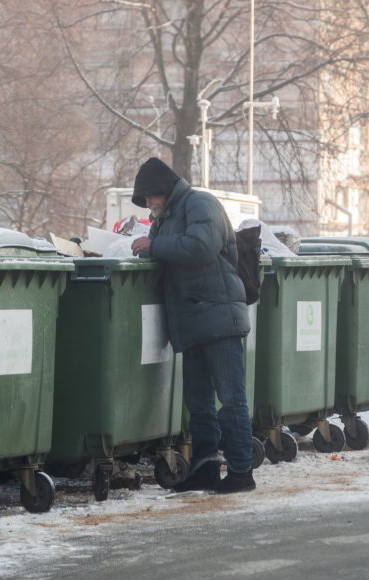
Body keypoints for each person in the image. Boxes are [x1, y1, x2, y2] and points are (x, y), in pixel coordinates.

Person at [129, 157, 256, 494]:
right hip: (192, 319)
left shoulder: (201, 203)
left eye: (149, 198)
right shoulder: (166, 218)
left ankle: (242, 471)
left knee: (231, 398)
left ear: (162, 190)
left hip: (219, 315)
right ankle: (205, 468)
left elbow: (202, 247)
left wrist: (154, 245)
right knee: (198, 402)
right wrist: (146, 247)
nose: (149, 205)